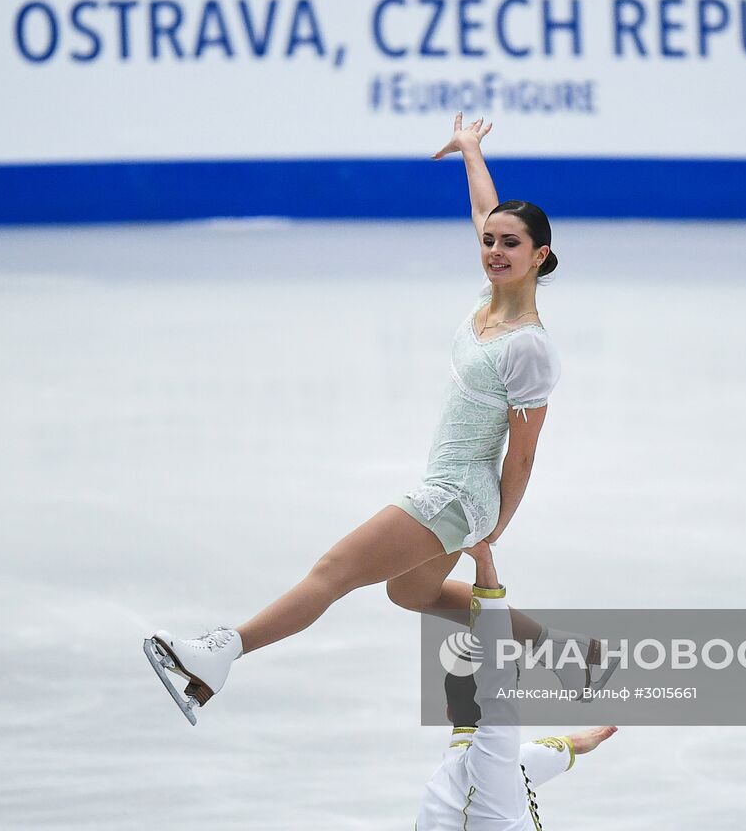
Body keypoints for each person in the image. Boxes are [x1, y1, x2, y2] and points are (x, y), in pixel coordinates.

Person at [147, 113, 596, 719]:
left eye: (510, 244)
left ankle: (221, 653)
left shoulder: (529, 347)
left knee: (333, 571)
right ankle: (562, 654)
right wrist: (471, 152)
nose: (493, 250)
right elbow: (484, 211)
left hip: (459, 494)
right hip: (455, 490)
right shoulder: (491, 295)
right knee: (411, 593)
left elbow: (523, 454)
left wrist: (495, 528)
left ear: (540, 255)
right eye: (489, 241)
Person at [415, 540, 618, 830]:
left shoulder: (447, 784)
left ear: (449, 710)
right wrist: (485, 568)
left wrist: (572, 745)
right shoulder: (491, 765)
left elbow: (521, 760)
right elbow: (496, 677)